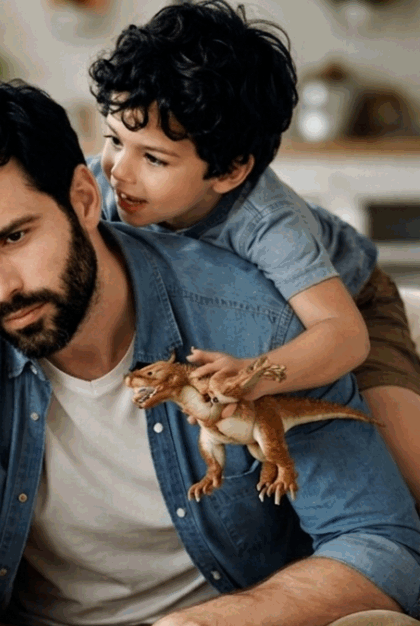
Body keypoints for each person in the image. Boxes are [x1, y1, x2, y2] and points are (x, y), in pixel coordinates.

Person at [0, 80, 420, 626]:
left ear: (84, 199)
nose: (2, 290)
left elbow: (380, 544)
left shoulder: (250, 317)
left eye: (16, 236)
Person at [87, 0, 420, 505]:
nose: (119, 171)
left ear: (230, 171)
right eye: (115, 139)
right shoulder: (106, 183)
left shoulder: (268, 222)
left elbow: (345, 336)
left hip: (351, 307)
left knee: (408, 470)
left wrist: (253, 373)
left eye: (154, 158)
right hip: (234, 318)